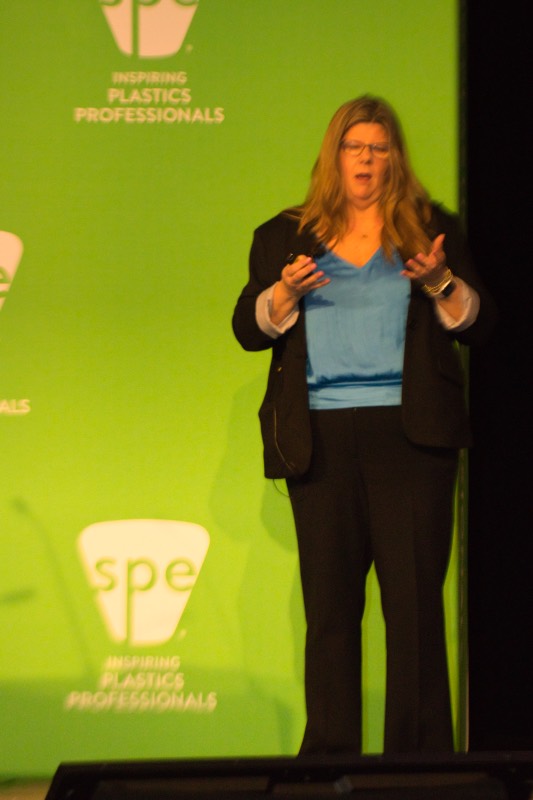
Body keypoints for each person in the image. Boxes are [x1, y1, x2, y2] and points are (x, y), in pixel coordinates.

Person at [232, 95, 497, 755]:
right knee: (329, 614)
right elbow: (247, 328)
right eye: (355, 147)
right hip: (320, 442)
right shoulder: (283, 236)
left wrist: (440, 282)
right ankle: (328, 764)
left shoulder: (431, 229)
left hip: (411, 442)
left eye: (379, 148)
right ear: (335, 155)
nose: (367, 159)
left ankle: (421, 766)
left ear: (394, 159)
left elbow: (479, 324)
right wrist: (285, 292)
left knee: (413, 612)